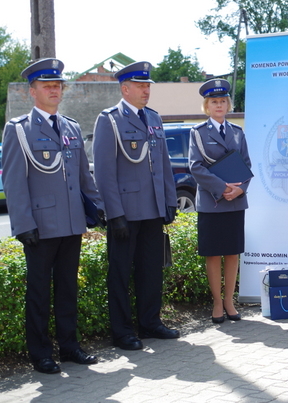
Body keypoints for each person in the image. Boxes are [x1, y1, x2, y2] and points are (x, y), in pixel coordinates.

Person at [2, 58, 105, 374]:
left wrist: (98, 207)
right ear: (32, 91)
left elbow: (83, 176)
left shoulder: (71, 127)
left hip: (72, 223)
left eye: (57, 85)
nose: (54, 90)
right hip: (40, 226)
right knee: (38, 293)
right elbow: (14, 181)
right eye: (46, 86)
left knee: (67, 288)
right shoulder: (19, 129)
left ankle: (70, 347)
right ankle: (40, 353)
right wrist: (23, 224)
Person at [93, 61, 180, 351]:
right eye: (140, 86)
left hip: (153, 208)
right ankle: (122, 332)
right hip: (126, 212)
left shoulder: (153, 118)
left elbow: (164, 164)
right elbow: (104, 172)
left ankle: (150, 323)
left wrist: (169, 201)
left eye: (147, 86)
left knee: (151, 270)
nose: (146, 91)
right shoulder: (110, 120)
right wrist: (114, 213)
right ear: (125, 89)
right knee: (120, 273)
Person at [188, 79, 251, 324]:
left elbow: (246, 165)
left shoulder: (237, 132)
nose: (219, 105)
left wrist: (240, 190)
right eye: (214, 101)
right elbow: (196, 167)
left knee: (233, 253)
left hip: (234, 201)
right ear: (207, 105)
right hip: (211, 202)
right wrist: (222, 188)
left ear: (228, 104)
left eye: (223, 101)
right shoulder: (198, 132)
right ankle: (216, 302)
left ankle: (229, 301)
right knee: (213, 254)